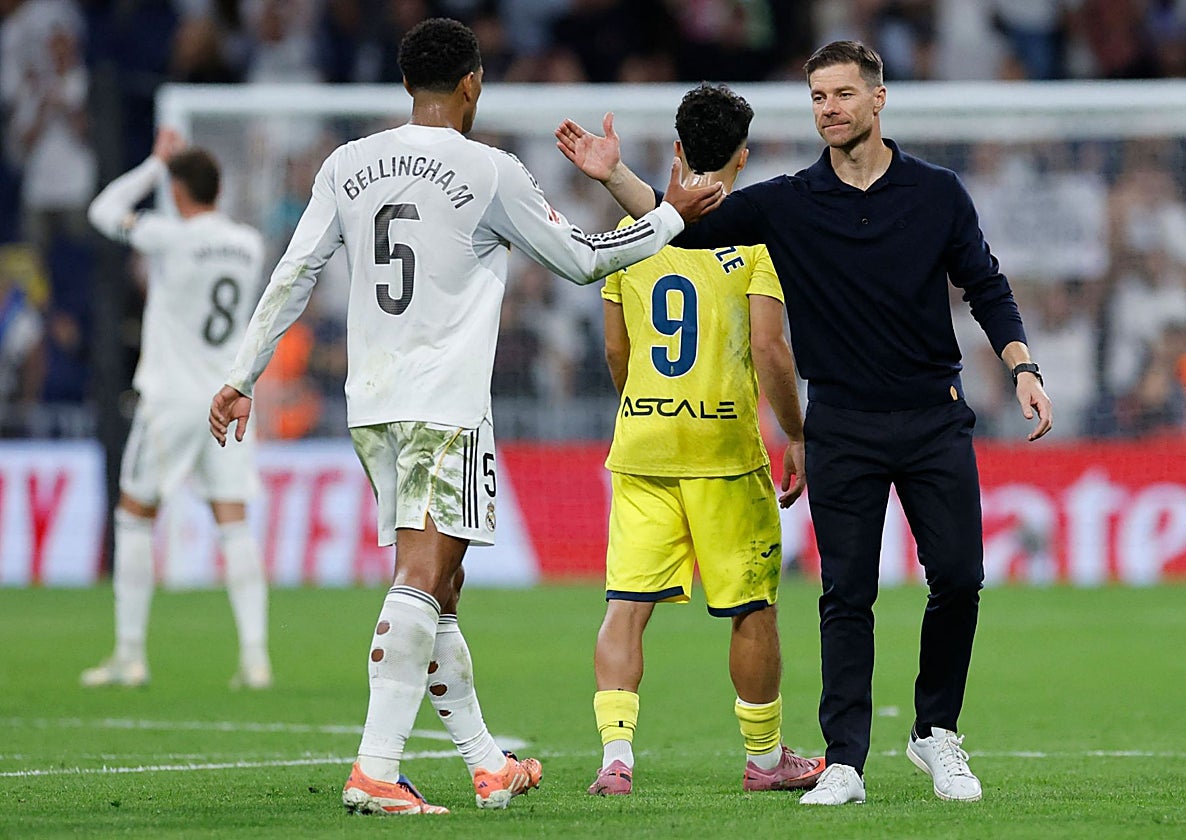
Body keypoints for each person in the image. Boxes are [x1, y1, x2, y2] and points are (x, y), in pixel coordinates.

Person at [208, 17, 721, 816]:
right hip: (445, 406)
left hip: (372, 404)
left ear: (408, 84)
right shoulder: (488, 169)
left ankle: (488, 764)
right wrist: (670, 217)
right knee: (422, 574)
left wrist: (242, 374)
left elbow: (297, 269)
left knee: (442, 584)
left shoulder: (348, 164)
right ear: (473, 85)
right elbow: (584, 260)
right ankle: (376, 769)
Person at [556, 39, 1054, 805]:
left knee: (958, 578)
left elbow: (985, 284)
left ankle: (935, 734)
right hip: (844, 425)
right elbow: (682, 229)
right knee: (845, 594)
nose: (830, 109)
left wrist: (1022, 368)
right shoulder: (788, 203)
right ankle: (846, 760)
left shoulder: (938, 192)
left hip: (932, 416)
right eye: (819, 96)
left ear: (878, 100)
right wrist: (613, 173)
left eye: (844, 95)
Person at [586, 82, 823, 797]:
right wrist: (798, 434)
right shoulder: (758, 239)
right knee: (751, 608)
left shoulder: (633, 236)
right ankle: (764, 757)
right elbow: (770, 347)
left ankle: (615, 760)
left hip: (644, 445)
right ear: (743, 157)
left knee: (626, 605)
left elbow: (615, 354)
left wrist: (647, 406)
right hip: (724, 451)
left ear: (680, 149)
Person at [83, 127, 272, 690]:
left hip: (169, 398)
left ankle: (130, 655)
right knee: (234, 524)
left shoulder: (169, 238)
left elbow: (103, 211)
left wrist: (153, 163)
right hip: (229, 397)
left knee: (134, 516)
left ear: (178, 190)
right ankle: (256, 659)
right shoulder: (247, 243)